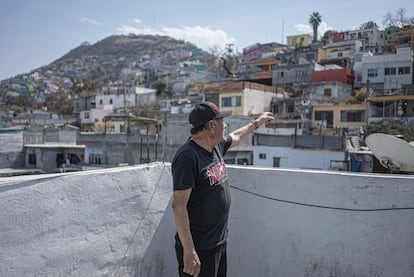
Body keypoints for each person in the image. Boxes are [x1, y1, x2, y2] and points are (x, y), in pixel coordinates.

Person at [171, 101, 274, 277]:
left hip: (217, 242)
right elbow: (178, 206)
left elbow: (236, 136)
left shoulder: (216, 146)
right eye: (221, 121)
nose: (225, 125)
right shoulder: (187, 157)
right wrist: (189, 252)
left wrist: (257, 123)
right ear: (211, 126)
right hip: (199, 248)